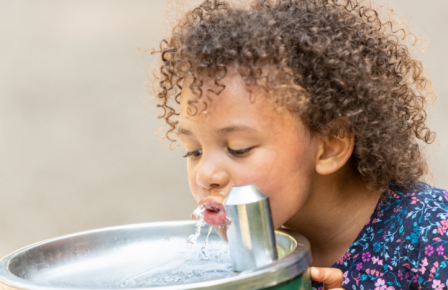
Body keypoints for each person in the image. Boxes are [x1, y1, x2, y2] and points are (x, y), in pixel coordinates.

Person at [151, 0, 447, 289]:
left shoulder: (433, 235)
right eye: (194, 151)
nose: (205, 175)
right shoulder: (254, 254)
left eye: (238, 148)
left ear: (330, 146)